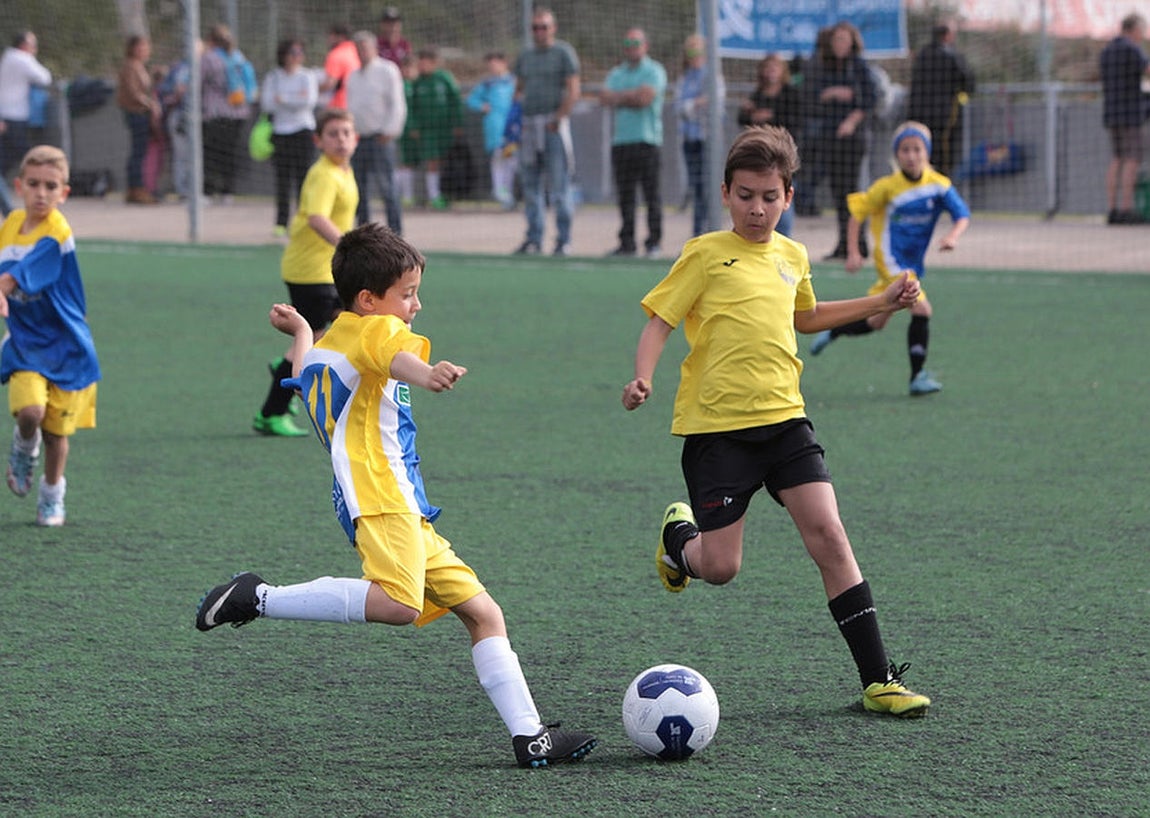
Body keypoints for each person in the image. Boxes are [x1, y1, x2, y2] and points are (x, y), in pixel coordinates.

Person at [198, 222, 598, 769]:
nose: (416, 305)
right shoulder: (374, 332)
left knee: (483, 612)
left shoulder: (331, 346)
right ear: (368, 300)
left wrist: (301, 332)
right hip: (381, 495)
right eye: (407, 294)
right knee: (399, 605)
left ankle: (531, 736)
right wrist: (428, 373)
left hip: (399, 504)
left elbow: (305, 368)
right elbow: (393, 351)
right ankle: (258, 596)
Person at [620, 126, 931, 719]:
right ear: (725, 194)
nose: (757, 209)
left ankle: (879, 680)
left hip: (786, 422)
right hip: (718, 432)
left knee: (830, 536)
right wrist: (643, 378)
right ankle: (679, 542)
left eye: (769, 197)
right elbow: (660, 321)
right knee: (721, 568)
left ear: (789, 196)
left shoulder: (793, 255)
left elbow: (805, 317)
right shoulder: (704, 254)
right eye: (745, 196)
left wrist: (880, 302)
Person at [809, 121, 970, 396]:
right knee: (922, 309)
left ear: (927, 152)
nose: (911, 156)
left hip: (913, 263)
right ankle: (917, 376)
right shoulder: (887, 187)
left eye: (917, 149)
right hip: (891, 260)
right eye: (905, 150)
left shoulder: (939, 186)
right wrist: (853, 251)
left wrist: (952, 237)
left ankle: (835, 330)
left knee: (876, 321)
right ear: (896, 155)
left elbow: (962, 215)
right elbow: (857, 215)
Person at [0, 146, 100, 527]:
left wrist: (3, 287)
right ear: (19, 186)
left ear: (64, 193)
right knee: (30, 412)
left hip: (66, 345)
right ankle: (25, 445)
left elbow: (21, 272)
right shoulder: (11, 225)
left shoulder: (57, 232)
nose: (41, 193)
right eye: (34, 184)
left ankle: (52, 493)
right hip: (25, 342)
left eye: (51, 186)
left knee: (57, 435)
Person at [253, 109, 358, 437]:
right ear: (318, 141)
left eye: (346, 133)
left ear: (356, 138)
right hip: (310, 271)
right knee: (311, 337)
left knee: (344, 324)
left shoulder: (344, 170)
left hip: (328, 270)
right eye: (333, 134)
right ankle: (271, 412)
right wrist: (350, 247)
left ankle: (285, 364)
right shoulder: (324, 174)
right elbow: (317, 218)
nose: (341, 140)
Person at [802, 21, 877, 260]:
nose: (839, 44)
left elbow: (870, 99)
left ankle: (859, 243)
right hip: (830, 136)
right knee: (838, 193)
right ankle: (844, 243)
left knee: (853, 191)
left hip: (854, 139)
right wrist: (832, 93)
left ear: (852, 42)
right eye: (836, 40)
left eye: (844, 39)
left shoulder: (859, 66)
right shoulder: (824, 66)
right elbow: (812, 95)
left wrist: (852, 120)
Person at [512, 8, 580, 257]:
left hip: (552, 126)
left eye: (544, 27)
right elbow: (518, 89)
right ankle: (534, 237)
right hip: (529, 125)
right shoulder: (526, 55)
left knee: (559, 186)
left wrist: (559, 117)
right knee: (531, 186)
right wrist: (516, 120)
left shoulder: (563, 53)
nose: (539, 32)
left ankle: (563, 239)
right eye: (535, 27)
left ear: (553, 28)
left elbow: (573, 89)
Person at [601, 28, 667, 258]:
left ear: (645, 46)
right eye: (628, 43)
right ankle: (627, 242)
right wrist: (631, 95)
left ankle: (654, 242)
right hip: (622, 142)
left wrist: (620, 97)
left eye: (636, 43)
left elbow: (645, 99)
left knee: (651, 195)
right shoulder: (617, 72)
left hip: (647, 142)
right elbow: (605, 97)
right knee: (625, 196)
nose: (632, 47)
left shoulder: (654, 70)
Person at [346, 30, 406, 232]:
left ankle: (395, 232)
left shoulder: (387, 70)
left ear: (374, 48)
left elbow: (397, 103)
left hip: (381, 137)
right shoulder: (353, 76)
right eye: (358, 48)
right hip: (359, 138)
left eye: (365, 47)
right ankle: (364, 233)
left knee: (387, 186)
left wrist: (391, 130)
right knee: (359, 188)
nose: (361, 52)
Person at [737, 53, 801, 237]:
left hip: (782, 157)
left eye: (775, 67)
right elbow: (742, 119)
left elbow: (796, 121)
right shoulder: (757, 94)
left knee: (781, 208)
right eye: (767, 67)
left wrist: (770, 117)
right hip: (759, 159)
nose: (771, 71)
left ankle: (783, 242)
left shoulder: (790, 94)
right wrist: (751, 114)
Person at [262, 38, 319, 236]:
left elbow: (308, 101)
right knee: (283, 180)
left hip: (303, 131)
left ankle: (303, 221)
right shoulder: (273, 77)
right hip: (281, 133)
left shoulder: (307, 76)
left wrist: (284, 99)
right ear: (284, 55)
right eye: (293, 53)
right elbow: (268, 104)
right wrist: (294, 99)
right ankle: (281, 223)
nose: (297, 57)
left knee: (304, 179)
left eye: (300, 52)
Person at [907, 19, 975, 178]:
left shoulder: (922, 55)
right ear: (947, 35)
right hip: (944, 116)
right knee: (944, 156)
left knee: (922, 152)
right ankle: (941, 185)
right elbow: (969, 81)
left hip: (919, 115)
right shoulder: (952, 56)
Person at [1100, 13, 1150, 226]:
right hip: (1131, 114)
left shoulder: (1107, 51)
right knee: (1132, 159)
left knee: (1117, 159)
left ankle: (1112, 210)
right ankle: (1127, 209)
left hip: (1112, 112)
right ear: (1135, 29)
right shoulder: (1132, 49)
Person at [674, 34, 724, 238]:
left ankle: (711, 230)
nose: (695, 56)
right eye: (691, 52)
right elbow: (679, 109)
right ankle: (697, 233)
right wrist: (695, 104)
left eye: (699, 51)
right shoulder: (684, 78)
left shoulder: (713, 77)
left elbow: (714, 104)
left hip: (708, 140)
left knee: (709, 186)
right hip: (690, 139)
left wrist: (693, 105)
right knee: (696, 187)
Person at [201, 24, 253, 203]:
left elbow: (197, 82)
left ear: (211, 40)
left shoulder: (209, 58)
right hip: (239, 112)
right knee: (229, 152)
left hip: (215, 113)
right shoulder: (238, 56)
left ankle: (208, 191)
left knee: (211, 153)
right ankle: (227, 192)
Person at [406, 47, 462, 210]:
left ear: (433, 63)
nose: (421, 66)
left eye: (424, 62)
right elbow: (412, 107)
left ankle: (445, 194)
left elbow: (456, 100)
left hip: (445, 129)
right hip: (427, 130)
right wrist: (414, 126)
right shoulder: (417, 82)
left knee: (444, 161)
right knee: (432, 161)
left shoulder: (444, 78)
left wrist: (457, 123)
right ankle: (433, 196)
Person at [466, 51, 517, 210]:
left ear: (504, 63)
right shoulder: (488, 83)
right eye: (490, 65)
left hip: (512, 128)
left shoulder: (514, 81)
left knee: (511, 160)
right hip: (495, 127)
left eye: (495, 63)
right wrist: (482, 106)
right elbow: (471, 100)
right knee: (498, 158)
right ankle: (501, 193)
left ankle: (509, 193)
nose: (492, 67)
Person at [116, 35, 161, 205]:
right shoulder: (130, 66)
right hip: (136, 113)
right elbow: (134, 92)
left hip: (141, 113)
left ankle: (137, 188)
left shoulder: (140, 67)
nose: (145, 50)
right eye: (141, 47)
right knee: (138, 152)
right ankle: (136, 189)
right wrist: (151, 104)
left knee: (140, 152)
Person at [0, 32, 52, 178]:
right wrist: (31, 58)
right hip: (15, 114)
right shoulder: (22, 58)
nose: (35, 49)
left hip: (6, 113)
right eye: (33, 45)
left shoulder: (8, 56)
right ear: (24, 46)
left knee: (8, 153)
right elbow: (45, 78)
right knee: (22, 151)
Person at [320, 24, 360, 111]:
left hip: (340, 105)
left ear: (340, 37)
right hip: (358, 102)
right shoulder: (357, 51)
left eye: (331, 36)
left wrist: (313, 89)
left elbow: (330, 84)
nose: (328, 39)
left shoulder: (336, 54)